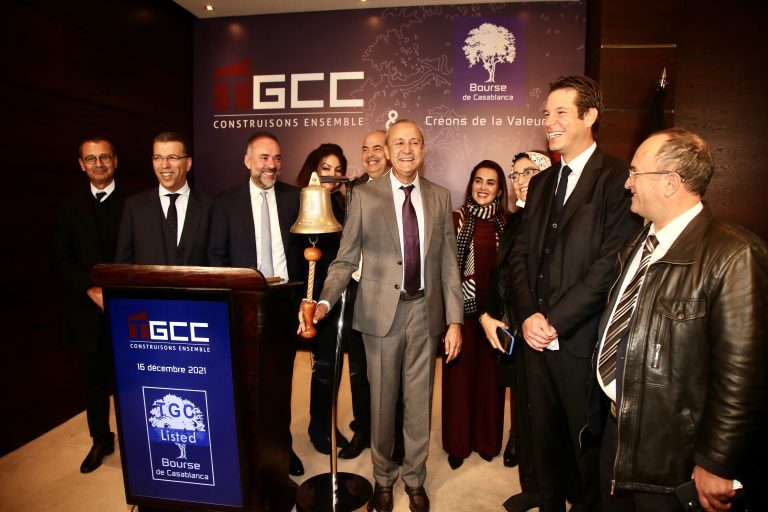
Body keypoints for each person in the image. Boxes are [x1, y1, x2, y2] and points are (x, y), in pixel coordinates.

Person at [596, 128, 767, 512]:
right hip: (617, 431)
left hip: (674, 456)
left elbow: (743, 375)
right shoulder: (638, 243)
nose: (627, 184)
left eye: (635, 173)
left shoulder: (734, 255)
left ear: (671, 182)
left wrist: (716, 461)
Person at [299, 119, 463, 512]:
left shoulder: (439, 196)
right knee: (382, 405)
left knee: (419, 405)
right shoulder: (364, 196)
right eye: (399, 143)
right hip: (380, 317)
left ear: (423, 149)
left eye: (414, 142)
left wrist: (455, 320)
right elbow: (345, 260)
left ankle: (415, 479)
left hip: (426, 312)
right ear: (387, 151)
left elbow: (448, 263)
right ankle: (383, 478)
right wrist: (323, 303)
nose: (407, 149)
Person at [508, 75, 642, 512]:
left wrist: (555, 322)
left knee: (587, 455)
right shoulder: (542, 182)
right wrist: (527, 315)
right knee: (543, 445)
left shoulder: (618, 178)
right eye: (546, 113)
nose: (549, 121)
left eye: (561, 112)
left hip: (583, 343)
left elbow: (610, 265)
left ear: (590, 116)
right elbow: (520, 255)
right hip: (534, 339)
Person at [207, 131, 306, 476]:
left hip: (284, 303)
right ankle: (246, 450)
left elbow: (308, 251)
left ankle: (282, 446)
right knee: (245, 385)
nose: (271, 165)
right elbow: (216, 257)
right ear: (247, 161)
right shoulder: (225, 203)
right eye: (264, 157)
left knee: (280, 383)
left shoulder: (296, 198)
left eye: (277, 158)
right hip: (243, 305)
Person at [480, 151, 551, 512]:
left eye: (530, 172)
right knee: (523, 408)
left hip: (545, 331)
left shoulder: (553, 218)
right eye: (517, 173)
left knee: (544, 415)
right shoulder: (516, 219)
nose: (521, 179)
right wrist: (487, 314)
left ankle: (548, 488)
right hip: (516, 329)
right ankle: (532, 486)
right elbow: (501, 274)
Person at [53, 136, 127, 473]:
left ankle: (137, 440)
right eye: (91, 159)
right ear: (81, 165)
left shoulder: (136, 202)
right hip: (86, 310)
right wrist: (91, 289)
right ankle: (101, 440)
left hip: (127, 309)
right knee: (94, 382)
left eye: (104, 157)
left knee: (130, 381)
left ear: (115, 161)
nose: (99, 164)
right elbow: (61, 258)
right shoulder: (68, 206)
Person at [338, 130, 406, 463]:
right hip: (357, 290)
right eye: (365, 149)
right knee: (359, 369)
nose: (370, 155)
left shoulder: (403, 189)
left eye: (377, 148)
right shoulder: (353, 190)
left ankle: (397, 437)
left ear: (390, 152)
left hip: (392, 295)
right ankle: (363, 429)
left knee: (396, 371)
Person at [442, 160, 509, 470]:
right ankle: (458, 444)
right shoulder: (455, 219)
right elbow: (445, 268)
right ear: (471, 185)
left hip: (496, 313)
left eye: (490, 182)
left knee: (490, 381)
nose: (483, 187)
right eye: (478, 181)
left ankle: (486, 441)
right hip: (461, 310)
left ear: (499, 190)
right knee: (459, 381)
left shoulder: (508, 223)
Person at [293, 143, 351, 455]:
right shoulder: (300, 202)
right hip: (307, 295)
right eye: (325, 168)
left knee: (332, 366)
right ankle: (317, 428)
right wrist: (305, 299)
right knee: (320, 366)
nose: (331, 175)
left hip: (336, 295)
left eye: (337, 170)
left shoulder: (343, 206)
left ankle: (325, 424)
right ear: (313, 170)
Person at [116, 131, 211, 265]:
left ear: (188, 163)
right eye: (158, 158)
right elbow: (123, 264)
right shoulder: (135, 207)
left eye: (172, 157)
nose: (164, 165)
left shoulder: (210, 206)